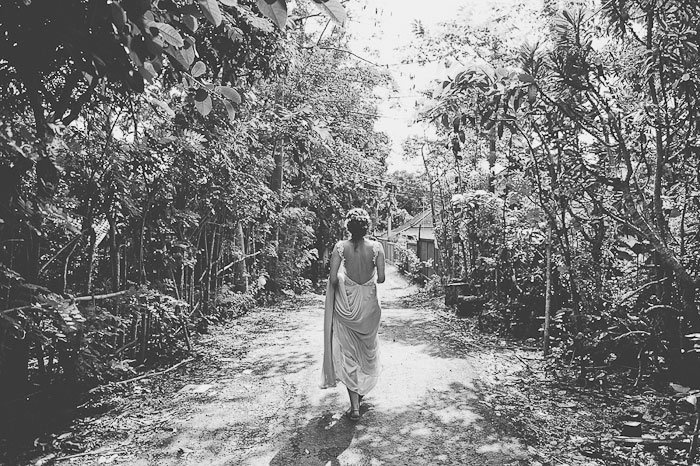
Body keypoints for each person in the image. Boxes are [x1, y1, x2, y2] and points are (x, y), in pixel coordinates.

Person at [321, 208, 386, 421]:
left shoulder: (341, 247)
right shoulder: (377, 248)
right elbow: (382, 279)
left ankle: (355, 407)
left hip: (347, 306)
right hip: (369, 307)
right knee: (367, 351)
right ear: (367, 227)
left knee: (348, 354)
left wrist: (343, 279)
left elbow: (332, 279)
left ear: (348, 227)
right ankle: (360, 394)